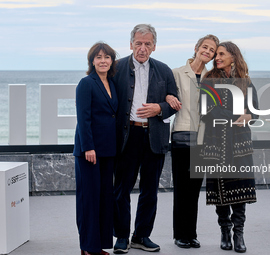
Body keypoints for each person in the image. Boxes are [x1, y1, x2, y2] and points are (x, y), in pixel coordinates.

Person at [112, 24, 179, 254]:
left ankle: (141, 235)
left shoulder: (164, 70)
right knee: (122, 189)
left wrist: (159, 108)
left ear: (154, 46)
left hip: (154, 137)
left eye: (147, 44)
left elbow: (174, 104)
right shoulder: (116, 68)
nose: (142, 48)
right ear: (130, 44)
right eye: (138, 43)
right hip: (127, 137)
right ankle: (121, 236)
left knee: (150, 191)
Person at [200, 41, 258, 253]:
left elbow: (256, 111)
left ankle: (239, 233)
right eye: (217, 54)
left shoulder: (245, 82)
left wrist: (249, 114)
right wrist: (236, 114)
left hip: (239, 144)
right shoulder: (209, 79)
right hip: (216, 142)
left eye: (222, 54)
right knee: (221, 193)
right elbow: (207, 110)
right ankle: (225, 231)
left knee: (239, 192)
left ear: (234, 56)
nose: (217, 58)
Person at [167, 35, 219, 249]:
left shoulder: (213, 76)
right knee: (181, 188)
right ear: (196, 48)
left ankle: (191, 233)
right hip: (182, 135)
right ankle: (180, 234)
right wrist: (168, 98)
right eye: (204, 47)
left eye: (212, 50)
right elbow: (167, 96)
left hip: (204, 138)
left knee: (194, 189)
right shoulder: (177, 73)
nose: (207, 51)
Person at [73, 42, 118, 255]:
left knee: (104, 199)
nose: (103, 61)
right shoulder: (86, 83)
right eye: (98, 57)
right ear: (92, 61)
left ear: (111, 61)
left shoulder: (111, 82)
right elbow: (83, 118)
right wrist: (88, 147)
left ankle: (98, 245)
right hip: (89, 151)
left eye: (107, 57)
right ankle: (88, 248)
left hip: (108, 150)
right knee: (89, 200)